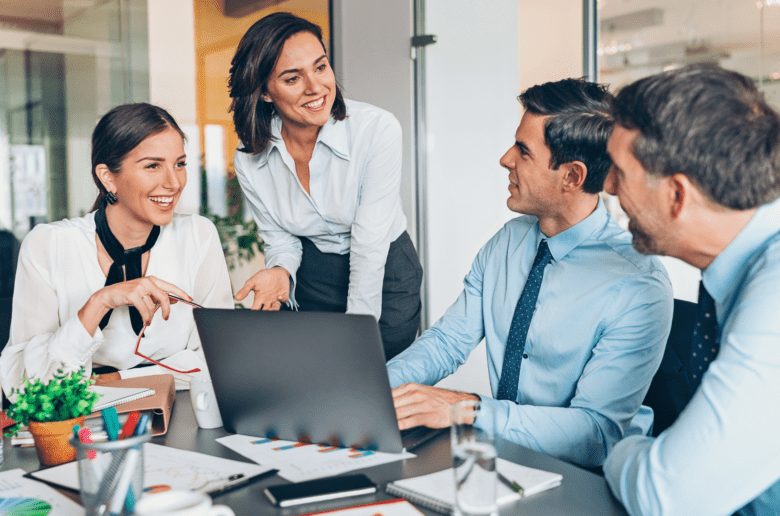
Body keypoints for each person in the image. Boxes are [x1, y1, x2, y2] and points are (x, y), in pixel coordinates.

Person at [387, 78, 674, 468]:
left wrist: (470, 409)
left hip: (589, 479)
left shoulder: (637, 284)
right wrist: (376, 390)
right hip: (509, 455)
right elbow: (446, 342)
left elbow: (596, 434)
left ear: (572, 176)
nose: (506, 159)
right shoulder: (508, 242)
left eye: (523, 151)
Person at [602, 64, 780, 515]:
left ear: (677, 196)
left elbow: (669, 496)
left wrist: (622, 449)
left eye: (619, 173)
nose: (606, 186)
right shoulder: (734, 265)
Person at [0, 103, 234, 395]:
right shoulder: (48, 245)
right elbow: (23, 385)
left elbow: (219, 361)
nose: (174, 183)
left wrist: (113, 382)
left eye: (180, 163)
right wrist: (99, 303)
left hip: (180, 411)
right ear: (108, 177)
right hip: (80, 425)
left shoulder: (198, 235)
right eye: (152, 166)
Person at [228, 12, 422, 360]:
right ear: (265, 92)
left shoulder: (377, 130)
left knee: (373, 380)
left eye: (321, 67)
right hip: (314, 271)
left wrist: (357, 332)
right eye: (292, 78)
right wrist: (280, 270)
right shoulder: (250, 160)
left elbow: (369, 242)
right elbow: (281, 240)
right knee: (310, 376)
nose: (316, 87)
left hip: (385, 269)